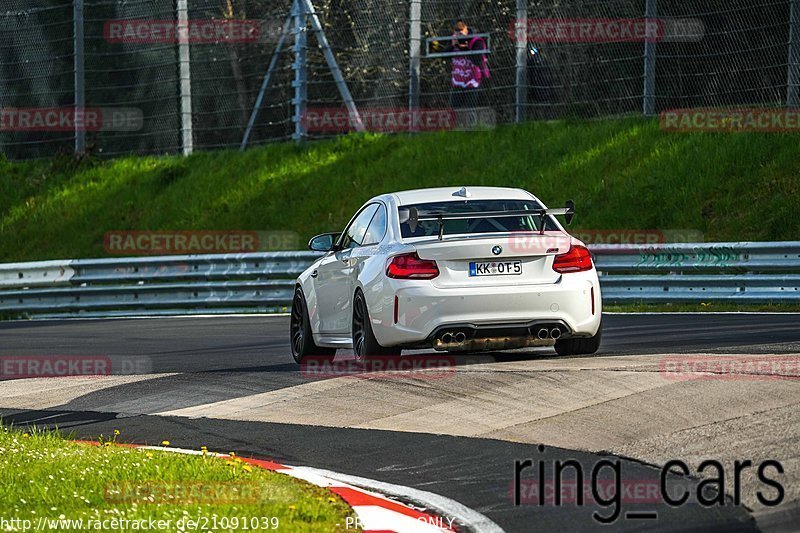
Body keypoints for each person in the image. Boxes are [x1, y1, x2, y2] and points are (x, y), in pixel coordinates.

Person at [445, 21, 490, 109]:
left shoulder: (476, 41)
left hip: (473, 81)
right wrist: (452, 45)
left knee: (470, 109)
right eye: (457, 33)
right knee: (454, 110)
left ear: (466, 31)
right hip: (458, 81)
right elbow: (444, 55)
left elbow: (477, 60)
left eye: (461, 33)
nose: (459, 37)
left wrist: (463, 47)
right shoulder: (453, 40)